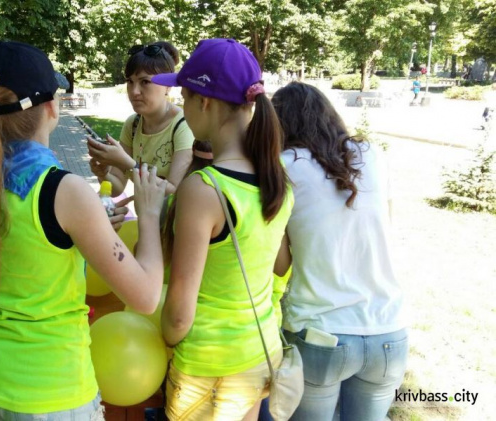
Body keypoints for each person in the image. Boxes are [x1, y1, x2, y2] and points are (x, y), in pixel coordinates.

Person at [0, 40, 167, 420]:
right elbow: (146, 296)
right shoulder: (64, 191)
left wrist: (91, 225)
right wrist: (148, 215)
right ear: (52, 107)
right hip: (53, 395)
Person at [154, 38, 293, 421]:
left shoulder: (203, 189)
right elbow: (279, 265)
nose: (182, 107)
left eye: (184, 96)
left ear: (205, 102)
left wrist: (160, 340)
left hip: (207, 365)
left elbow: (180, 313)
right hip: (258, 352)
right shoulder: (277, 181)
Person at [271, 82, 407, 421]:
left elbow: (280, 265)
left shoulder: (283, 167)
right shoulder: (373, 155)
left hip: (320, 331)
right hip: (388, 331)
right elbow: (386, 225)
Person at [88, 41, 195, 197]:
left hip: (176, 221)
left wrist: (127, 163)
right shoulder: (133, 124)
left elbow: (173, 191)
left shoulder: (183, 125)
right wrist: (103, 174)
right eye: (130, 82)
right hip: (145, 220)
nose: (134, 91)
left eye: (145, 82)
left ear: (168, 86)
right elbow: (116, 188)